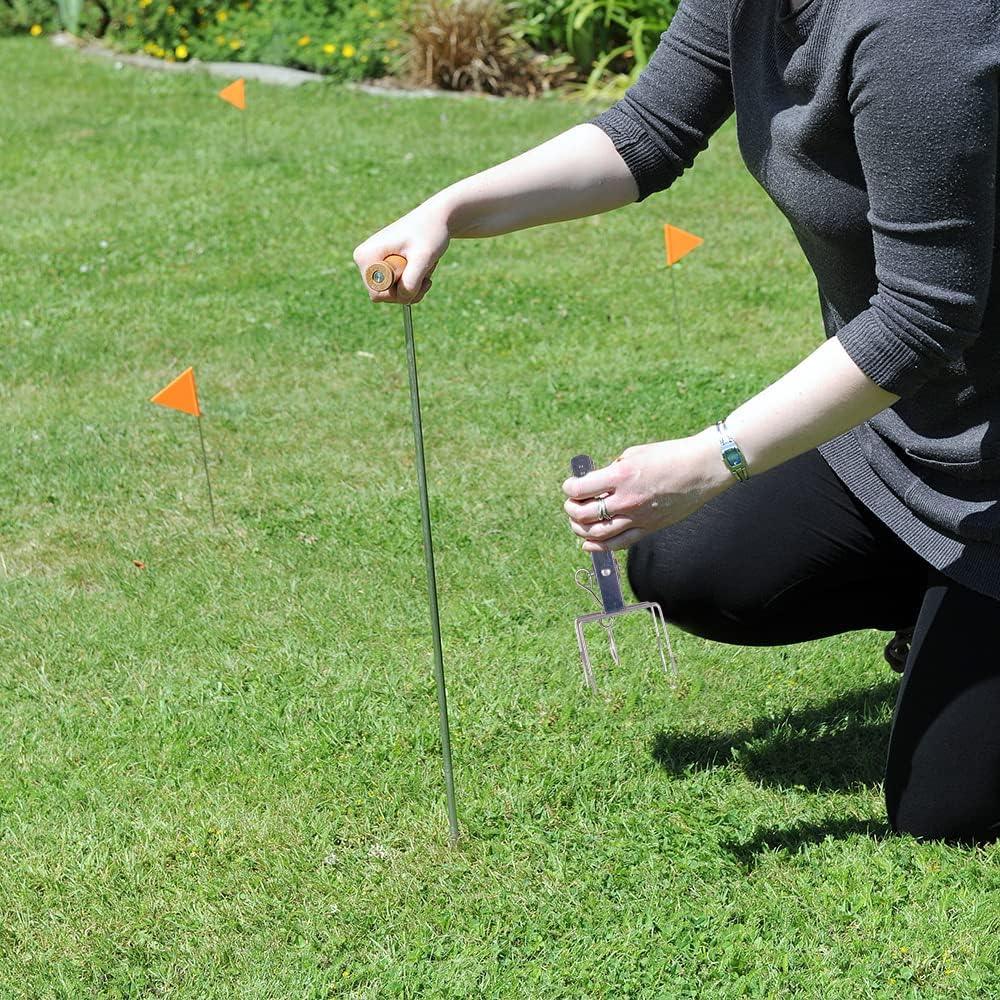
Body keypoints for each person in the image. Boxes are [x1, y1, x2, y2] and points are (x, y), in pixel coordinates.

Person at [354, 0, 1000, 842]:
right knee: (692, 565)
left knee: (944, 816)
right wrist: (449, 210)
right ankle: (936, 602)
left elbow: (923, 319)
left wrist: (711, 458)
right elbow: (645, 134)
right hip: (901, 429)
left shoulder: (926, 25)